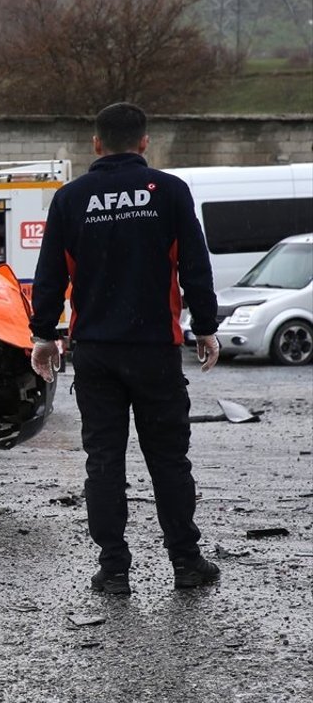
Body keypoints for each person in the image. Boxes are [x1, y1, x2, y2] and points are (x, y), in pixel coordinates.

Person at [29, 102, 221, 595]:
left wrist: (42, 333)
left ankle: (113, 569)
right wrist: (204, 326)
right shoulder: (171, 192)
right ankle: (186, 563)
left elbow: (50, 273)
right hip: (154, 348)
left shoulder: (70, 199)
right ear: (144, 142)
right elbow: (195, 266)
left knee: (104, 461)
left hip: (95, 352)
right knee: (169, 459)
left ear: (95, 144)